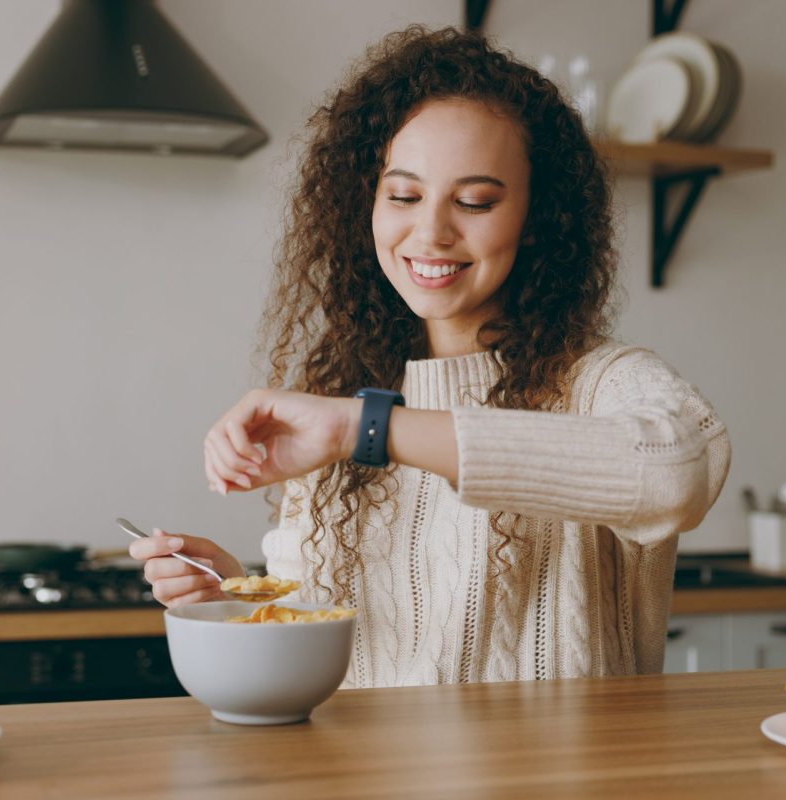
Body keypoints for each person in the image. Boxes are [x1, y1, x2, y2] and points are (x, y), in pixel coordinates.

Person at [128, 26, 731, 686]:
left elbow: (677, 473)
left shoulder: (601, 382)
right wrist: (233, 594)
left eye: (475, 201)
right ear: (368, 205)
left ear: (538, 218)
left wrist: (366, 428)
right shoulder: (343, 393)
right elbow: (335, 641)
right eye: (405, 196)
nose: (432, 232)